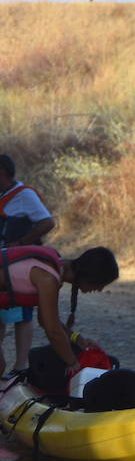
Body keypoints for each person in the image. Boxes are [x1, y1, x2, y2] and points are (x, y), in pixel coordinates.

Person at [0, 244, 119, 461]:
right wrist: (73, 364)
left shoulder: (54, 263)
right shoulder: (48, 277)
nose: (100, 289)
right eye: (101, 284)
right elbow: (52, 331)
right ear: (90, 276)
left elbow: (47, 319)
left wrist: (77, 339)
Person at [0, 154, 57, 378]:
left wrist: (21, 244)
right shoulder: (3, 196)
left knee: (22, 314)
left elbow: (47, 222)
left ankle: (20, 365)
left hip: (18, 266)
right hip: (2, 265)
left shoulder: (24, 195)